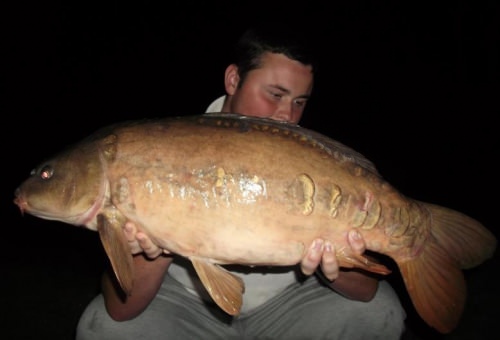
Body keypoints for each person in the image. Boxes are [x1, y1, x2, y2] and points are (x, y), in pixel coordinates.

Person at [76, 25, 406, 339]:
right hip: (189, 305)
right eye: (275, 94)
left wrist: (335, 262)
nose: (285, 115)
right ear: (234, 79)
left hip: (291, 303)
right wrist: (160, 243)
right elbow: (122, 308)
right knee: (104, 328)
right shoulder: (163, 150)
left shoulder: (313, 163)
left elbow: (366, 291)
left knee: (379, 312)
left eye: (299, 102)